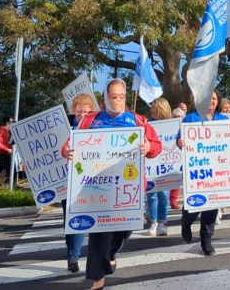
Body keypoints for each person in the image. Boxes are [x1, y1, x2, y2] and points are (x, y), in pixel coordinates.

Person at [61, 78, 162, 290]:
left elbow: (157, 146)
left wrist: (148, 147)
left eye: (121, 96)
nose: (118, 100)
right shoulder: (91, 120)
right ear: (106, 98)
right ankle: (97, 280)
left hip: (128, 190)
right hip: (96, 188)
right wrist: (66, 151)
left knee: (124, 231)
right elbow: (70, 144)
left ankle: (112, 253)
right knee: (99, 235)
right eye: (113, 96)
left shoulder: (139, 121)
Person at [176, 89, 229, 255]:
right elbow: (179, 140)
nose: (211, 101)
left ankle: (206, 239)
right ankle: (187, 220)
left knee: (212, 204)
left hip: (217, 170)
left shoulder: (223, 119)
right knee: (196, 203)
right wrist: (180, 141)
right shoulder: (191, 118)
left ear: (218, 101)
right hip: (197, 168)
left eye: (214, 98)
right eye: (208, 98)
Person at [62, 93, 96, 273]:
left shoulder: (98, 126)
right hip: (68, 181)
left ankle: (73, 256)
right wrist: (65, 152)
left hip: (88, 183)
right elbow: (64, 147)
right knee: (68, 219)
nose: (81, 115)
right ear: (73, 111)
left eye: (85, 111)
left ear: (91, 111)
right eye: (78, 111)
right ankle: (71, 253)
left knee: (79, 218)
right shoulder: (68, 127)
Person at [144, 97, 172, 237]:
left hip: (166, 165)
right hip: (151, 165)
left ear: (160, 108)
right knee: (152, 195)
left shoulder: (172, 125)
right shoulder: (146, 124)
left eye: (153, 106)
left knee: (164, 195)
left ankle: (162, 223)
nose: (150, 108)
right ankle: (153, 222)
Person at [168, 107, 186, 210]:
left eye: (180, 116)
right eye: (175, 116)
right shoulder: (168, 127)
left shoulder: (185, 127)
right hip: (169, 156)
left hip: (181, 156)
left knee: (178, 178)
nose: (178, 118)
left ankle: (173, 200)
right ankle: (169, 200)